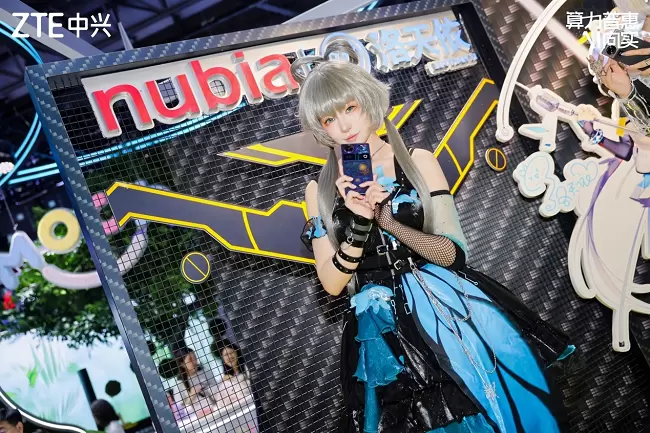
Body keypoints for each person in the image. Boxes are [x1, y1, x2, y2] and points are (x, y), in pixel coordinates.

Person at [294, 41, 575, 433]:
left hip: (442, 305)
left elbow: (452, 254)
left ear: (367, 101)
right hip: (379, 328)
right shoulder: (319, 191)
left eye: (349, 108)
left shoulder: (417, 160)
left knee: (489, 410)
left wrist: (388, 221)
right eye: (328, 119)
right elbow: (332, 283)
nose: (343, 126)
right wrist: (358, 224)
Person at [175, 347, 220, 411]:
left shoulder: (206, 372)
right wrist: (191, 395)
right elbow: (179, 409)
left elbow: (219, 391)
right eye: (190, 360)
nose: (194, 362)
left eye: (195, 358)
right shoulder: (179, 384)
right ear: (182, 364)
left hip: (215, 409)